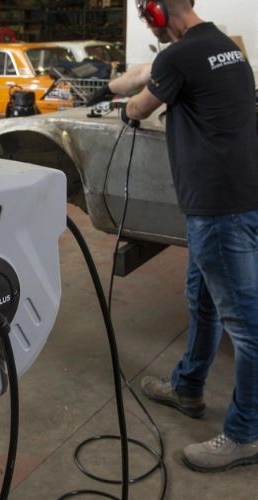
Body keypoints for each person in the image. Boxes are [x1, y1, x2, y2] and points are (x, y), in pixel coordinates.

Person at [121, 0, 258, 472]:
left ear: (158, 13)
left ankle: (245, 435)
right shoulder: (229, 48)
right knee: (202, 302)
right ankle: (188, 388)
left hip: (218, 209)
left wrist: (126, 104)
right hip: (239, 198)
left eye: (146, 16)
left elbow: (137, 107)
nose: (147, 25)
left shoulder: (176, 57)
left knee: (248, 329)